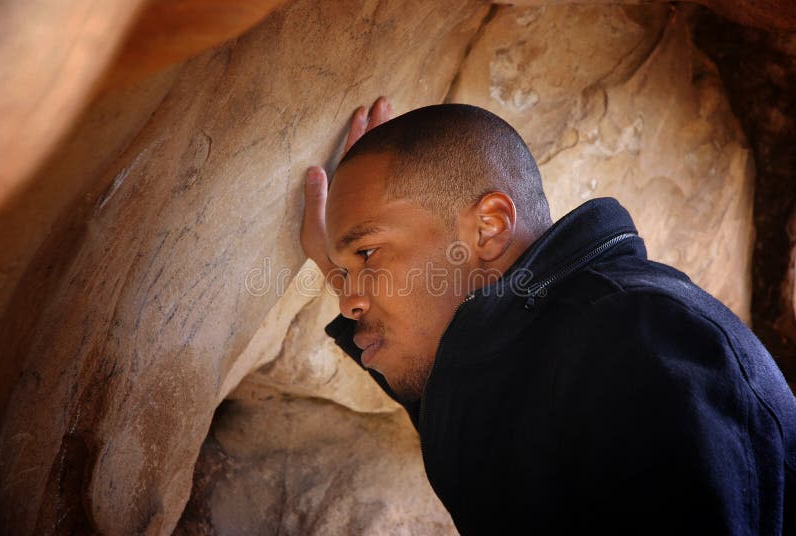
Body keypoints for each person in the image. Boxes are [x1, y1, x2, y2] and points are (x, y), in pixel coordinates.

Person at [300, 97, 796, 534]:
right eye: (343, 275)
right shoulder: (521, 359)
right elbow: (461, 400)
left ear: (489, 228)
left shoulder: (639, 341)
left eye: (367, 252)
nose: (348, 300)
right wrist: (349, 254)